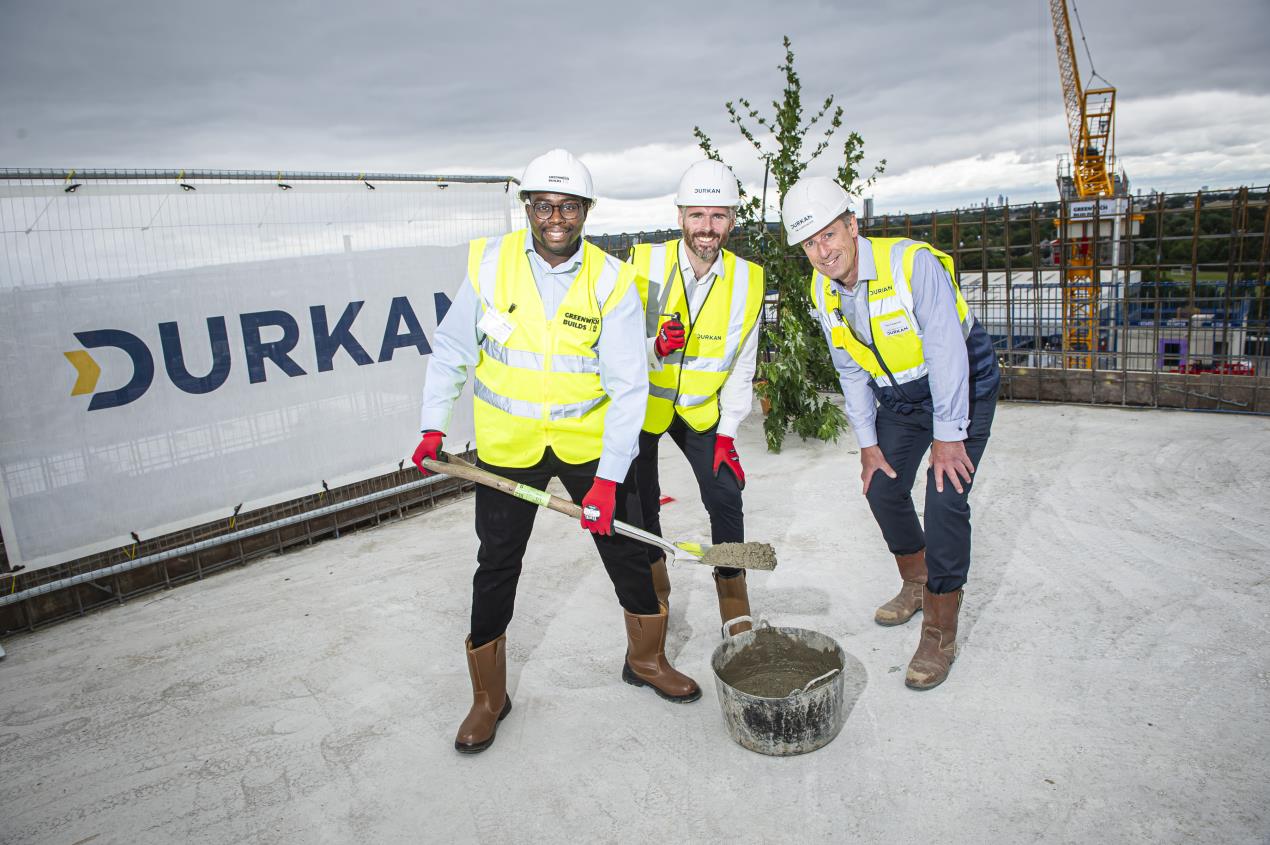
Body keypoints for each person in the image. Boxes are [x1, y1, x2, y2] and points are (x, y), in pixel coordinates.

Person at [412, 149, 700, 755]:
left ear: (585, 211)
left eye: (568, 206)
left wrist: (606, 480)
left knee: (627, 548)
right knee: (496, 566)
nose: (556, 218)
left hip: (587, 445)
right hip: (507, 447)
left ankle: (645, 660)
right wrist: (432, 426)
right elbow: (451, 349)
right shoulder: (490, 267)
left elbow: (628, 388)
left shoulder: (611, 280)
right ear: (528, 208)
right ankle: (489, 697)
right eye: (544, 205)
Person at [781, 176, 1000, 690]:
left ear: (852, 226)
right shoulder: (823, 289)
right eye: (809, 243)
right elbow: (851, 370)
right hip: (899, 397)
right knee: (882, 485)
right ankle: (918, 582)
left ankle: (940, 629)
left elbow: (947, 351)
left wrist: (949, 436)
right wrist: (868, 445)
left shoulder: (910, 264)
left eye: (828, 236)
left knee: (945, 495)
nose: (821, 251)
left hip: (962, 383)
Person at [628, 160, 765, 636]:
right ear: (680, 215)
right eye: (697, 215)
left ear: (732, 220)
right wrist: (653, 347)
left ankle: (735, 605)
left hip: (700, 411)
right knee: (640, 504)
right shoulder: (642, 262)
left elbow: (741, 364)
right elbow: (613, 342)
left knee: (727, 494)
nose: (707, 228)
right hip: (644, 405)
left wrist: (728, 432)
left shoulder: (749, 279)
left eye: (718, 216)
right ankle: (655, 597)